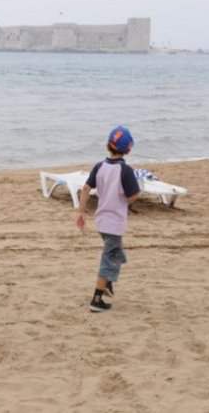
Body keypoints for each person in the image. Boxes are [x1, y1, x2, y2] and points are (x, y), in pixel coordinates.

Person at [76, 126, 141, 313]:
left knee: (117, 254)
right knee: (109, 259)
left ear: (108, 145)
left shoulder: (99, 166)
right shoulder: (125, 170)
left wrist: (80, 212)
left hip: (102, 221)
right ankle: (97, 299)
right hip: (115, 223)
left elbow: (86, 188)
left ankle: (108, 283)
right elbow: (134, 195)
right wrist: (127, 199)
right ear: (128, 149)